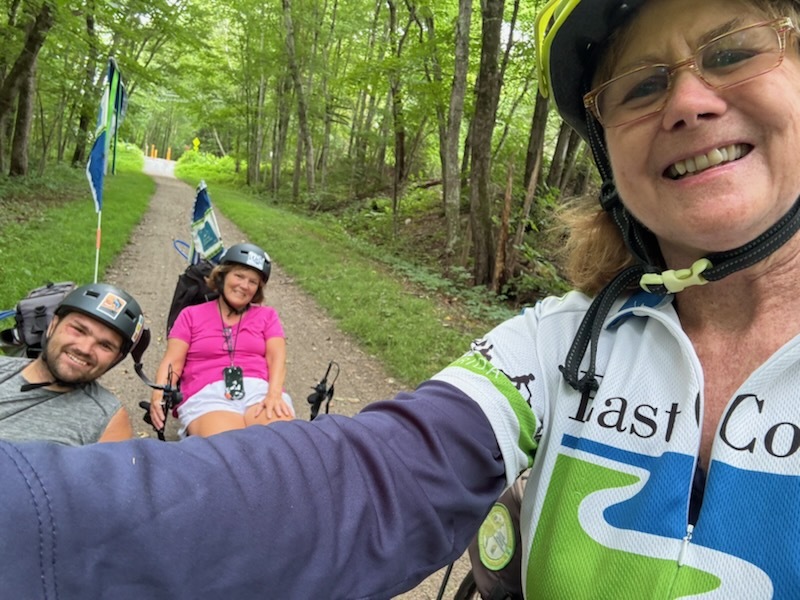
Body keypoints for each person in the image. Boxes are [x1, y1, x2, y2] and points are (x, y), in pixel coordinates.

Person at [1, 0, 800, 597]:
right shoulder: (563, 344)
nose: (688, 101)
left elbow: (278, 363)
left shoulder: (271, 319)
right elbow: (367, 483)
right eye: (643, 85)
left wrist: (272, 391)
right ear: (606, 149)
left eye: (732, 52)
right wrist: (33, 522)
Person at [149, 242, 294, 437]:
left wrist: (274, 394)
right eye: (239, 276)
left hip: (259, 389)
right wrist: (159, 393)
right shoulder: (190, 315)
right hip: (207, 391)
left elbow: (276, 358)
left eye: (253, 281)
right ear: (222, 276)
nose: (244, 285)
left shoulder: (267, 316)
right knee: (230, 450)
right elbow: (173, 361)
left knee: (281, 442)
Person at [0, 282, 145, 445]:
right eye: (79, 330)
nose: (85, 349)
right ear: (53, 325)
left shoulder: (107, 423)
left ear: (116, 359)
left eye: (105, 345)